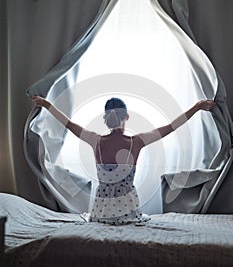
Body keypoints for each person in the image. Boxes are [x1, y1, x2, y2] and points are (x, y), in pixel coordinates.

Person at [31, 95, 215, 225]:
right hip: (128, 212)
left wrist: (47, 105)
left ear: (106, 118)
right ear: (126, 117)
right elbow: (171, 127)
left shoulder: (96, 141)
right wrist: (197, 107)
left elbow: (68, 124)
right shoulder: (136, 142)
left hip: (101, 213)